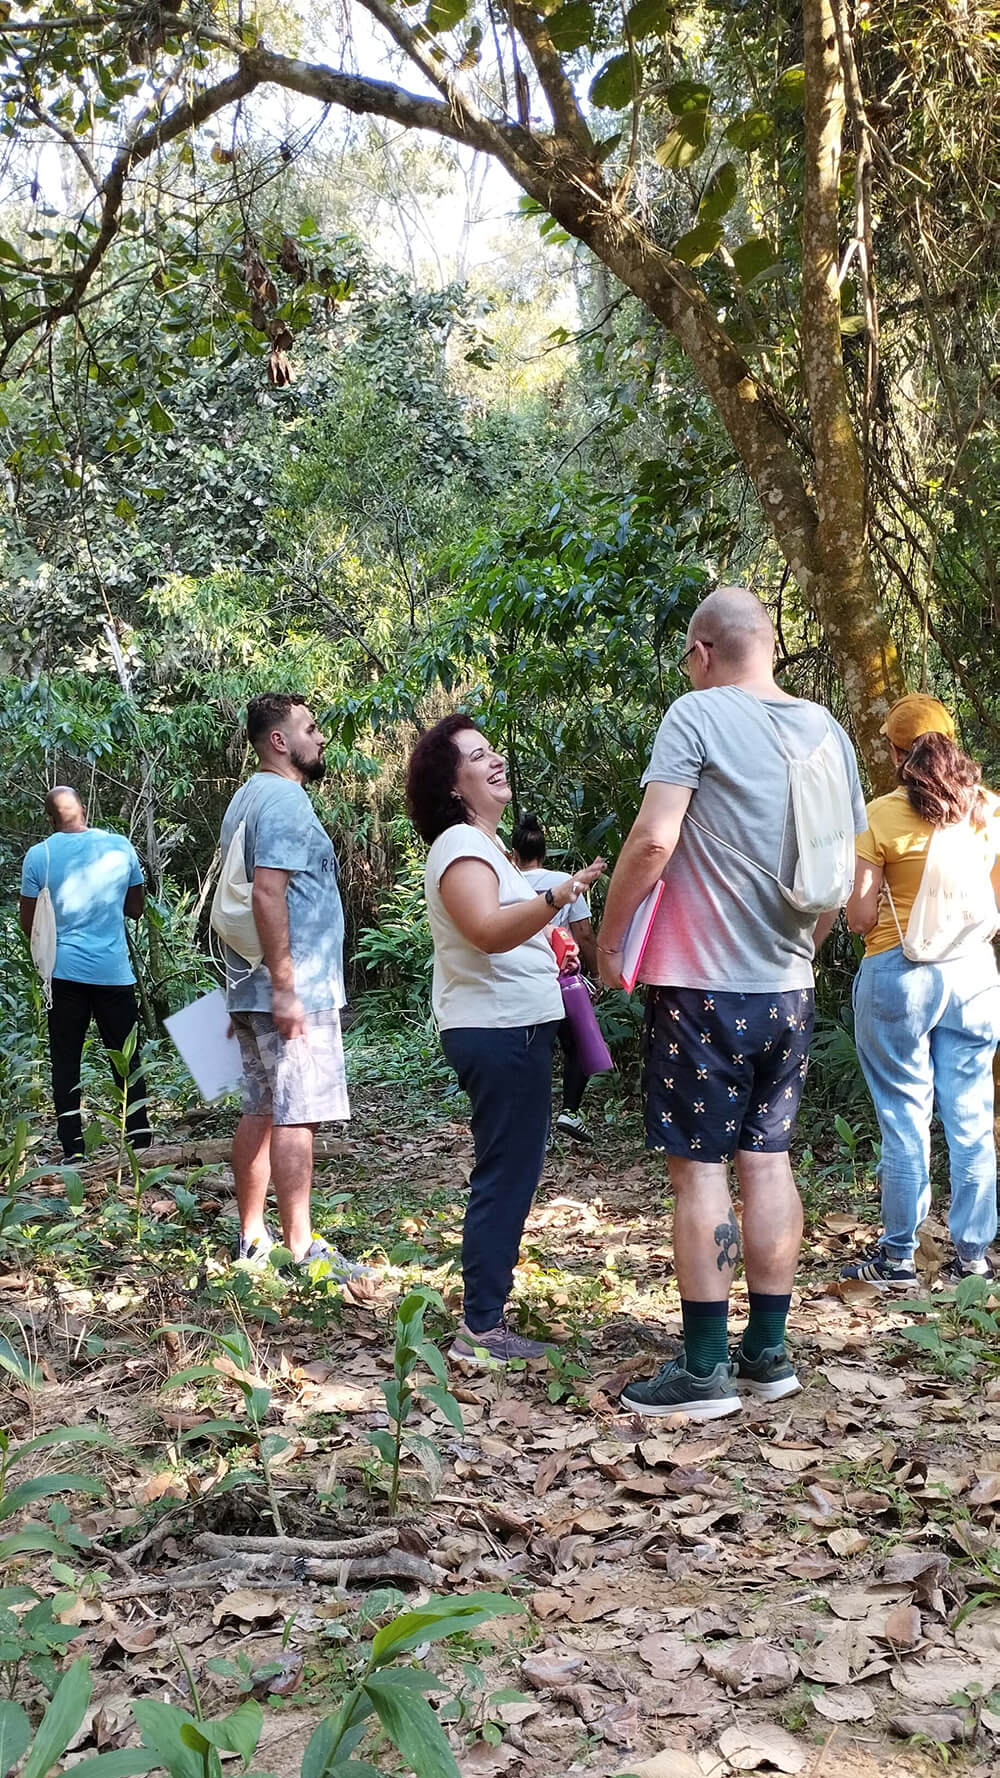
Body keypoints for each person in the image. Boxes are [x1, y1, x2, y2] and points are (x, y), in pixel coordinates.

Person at [597, 586, 866, 1418]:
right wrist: (805, 946)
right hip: (789, 989)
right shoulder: (827, 729)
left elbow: (654, 838)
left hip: (703, 987)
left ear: (703, 651)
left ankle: (705, 1369)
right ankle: (768, 1355)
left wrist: (610, 940)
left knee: (701, 1169)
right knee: (768, 1159)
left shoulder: (698, 713)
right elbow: (845, 870)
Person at [406, 715, 605, 1365]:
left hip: (512, 1026)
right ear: (451, 784)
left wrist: (551, 940)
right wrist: (558, 898)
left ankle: (486, 1315)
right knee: (507, 1172)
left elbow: (506, 931)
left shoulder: (485, 845)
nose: (494, 760)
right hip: (497, 1030)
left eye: (492, 750)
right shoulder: (461, 844)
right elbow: (487, 931)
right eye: (476, 756)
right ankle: (482, 1328)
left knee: (513, 1168)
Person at [842, 695, 1000, 1289]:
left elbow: (859, 917)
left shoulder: (879, 816)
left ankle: (898, 1258)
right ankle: (973, 1257)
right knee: (971, 1116)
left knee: (905, 1116)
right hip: (974, 977)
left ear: (896, 753)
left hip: (899, 976)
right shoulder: (989, 811)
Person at [220, 692, 374, 1297]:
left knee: (260, 1107)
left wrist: (243, 986)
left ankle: (251, 1237)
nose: (320, 737)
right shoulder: (284, 798)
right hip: (292, 986)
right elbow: (264, 893)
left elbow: (235, 895)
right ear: (279, 741)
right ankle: (303, 1247)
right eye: (310, 728)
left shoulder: (247, 797)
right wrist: (285, 989)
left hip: (253, 983)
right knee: (296, 1112)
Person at [19, 787, 152, 1161]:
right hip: (114, 973)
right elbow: (136, 909)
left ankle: (73, 1149)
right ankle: (139, 1142)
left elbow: (29, 923)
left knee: (66, 1060)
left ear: (50, 819)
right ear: (84, 809)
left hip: (64, 975)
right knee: (126, 1058)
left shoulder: (39, 856)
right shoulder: (120, 847)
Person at [511, 811, 599, 1143]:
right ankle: (570, 1111)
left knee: (535, 1052)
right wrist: (596, 974)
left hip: (517, 979)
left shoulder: (507, 881)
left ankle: (538, 1126)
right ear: (544, 852)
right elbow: (584, 934)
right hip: (562, 977)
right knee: (578, 1044)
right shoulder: (564, 881)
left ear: (514, 854)